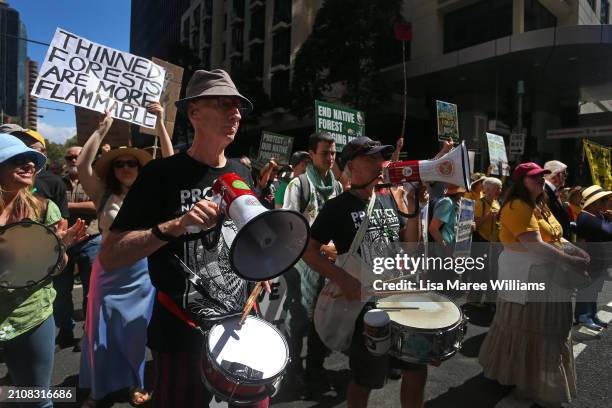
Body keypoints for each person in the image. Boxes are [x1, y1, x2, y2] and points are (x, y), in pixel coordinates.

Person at [98, 69, 271, 408]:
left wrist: (261, 266)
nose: (235, 114)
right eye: (224, 105)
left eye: (237, 107)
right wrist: (174, 225)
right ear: (194, 113)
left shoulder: (241, 172)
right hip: (181, 333)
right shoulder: (161, 175)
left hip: (243, 325)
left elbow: (249, 237)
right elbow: (111, 255)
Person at [302, 136, 425, 408]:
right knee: (365, 378)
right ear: (351, 165)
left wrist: (414, 206)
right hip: (367, 308)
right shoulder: (337, 207)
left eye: (380, 157)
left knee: (417, 368)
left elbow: (410, 244)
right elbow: (308, 251)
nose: (380, 163)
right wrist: (342, 278)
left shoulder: (390, 199)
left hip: (400, 300)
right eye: (371, 158)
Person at [479, 162, 590, 408]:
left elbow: (556, 236)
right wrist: (573, 260)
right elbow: (536, 246)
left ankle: (533, 385)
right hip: (528, 279)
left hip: (544, 277)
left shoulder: (539, 204)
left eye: (542, 176)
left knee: (548, 330)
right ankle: (527, 385)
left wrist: (576, 253)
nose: (540, 180)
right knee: (535, 329)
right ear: (520, 182)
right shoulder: (518, 205)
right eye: (534, 178)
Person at [77, 109, 168, 406]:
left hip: (142, 274)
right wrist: (103, 127)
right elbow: (81, 165)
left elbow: (168, 166)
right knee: (100, 332)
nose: (127, 167)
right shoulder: (102, 194)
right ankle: (98, 389)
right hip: (107, 272)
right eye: (120, 164)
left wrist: (160, 124)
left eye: (132, 163)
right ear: (113, 170)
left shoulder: (152, 194)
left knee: (135, 333)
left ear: (140, 170)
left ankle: (135, 384)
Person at [0, 134, 86, 408]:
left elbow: (56, 269)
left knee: (36, 397)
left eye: (31, 161)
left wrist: (57, 249)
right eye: (17, 159)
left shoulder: (44, 209)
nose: (28, 165)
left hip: (31, 315)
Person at [281, 131, 343, 392]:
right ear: (311, 155)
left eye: (333, 153)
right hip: (303, 265)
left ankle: (315, 369)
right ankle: (292, 370)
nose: (330, 158)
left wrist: (335, 248)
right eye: (325, 153)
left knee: (324, 316)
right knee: (299, 319)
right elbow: (288, 228)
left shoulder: (337, 187)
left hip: (329, 265)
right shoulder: (299, 185)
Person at [54, 145, 101, 349]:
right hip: (63, 243)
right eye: (69, 157)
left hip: (90, 241)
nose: (73, 160)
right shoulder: (57, 182)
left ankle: (88, 332)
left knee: (91, 292)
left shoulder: (94, 179)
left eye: (78, 156)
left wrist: (63, 205)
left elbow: (96, 205)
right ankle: (65, 331)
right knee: (61, 291)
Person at [0, 124, 69, 219]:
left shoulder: (44, 209)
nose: (31, 164)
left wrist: (55, 234)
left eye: (33, 158)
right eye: (19, 158)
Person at [574, 185, 612, 330]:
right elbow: (581, 242)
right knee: (587, 288)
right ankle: (583, 316)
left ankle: (592, 314)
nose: (607, 202)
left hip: (601, 260)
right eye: (604, 200)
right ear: (594, 202)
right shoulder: (584, 217)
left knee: (595, 289)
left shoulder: (601, 215)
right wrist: (584, 261)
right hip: (591, 259)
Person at [466, 177, 502, 306]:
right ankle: (472, 299)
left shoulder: (497, 203)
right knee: (479, 271)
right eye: (497, 188)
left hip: (493, 243)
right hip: (481, 241)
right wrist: (488, 217)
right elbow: (475, 224)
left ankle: (488, 299)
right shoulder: (479, 204)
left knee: (491, 272)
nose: (500, 190)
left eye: (500, 188)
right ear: (487, 190)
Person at [544, 160, 572, 240]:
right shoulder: (544, 190)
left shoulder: (552, 191)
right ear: (557, 175)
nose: (566, 177)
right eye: (565, 174)